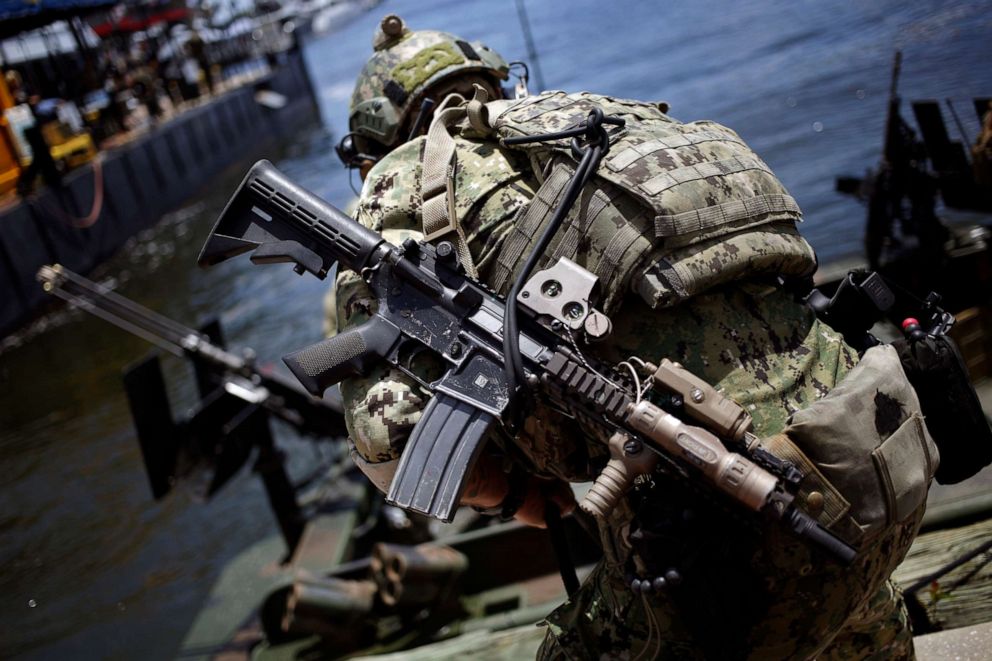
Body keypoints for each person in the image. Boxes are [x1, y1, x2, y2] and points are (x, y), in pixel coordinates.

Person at [329, 17, 936, 660]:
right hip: (879, 468)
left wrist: (515, 494)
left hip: (733, 538)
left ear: (372, 144)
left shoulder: (393, 186)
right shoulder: (598, 117)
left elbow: (385, 438)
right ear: (494, 80)